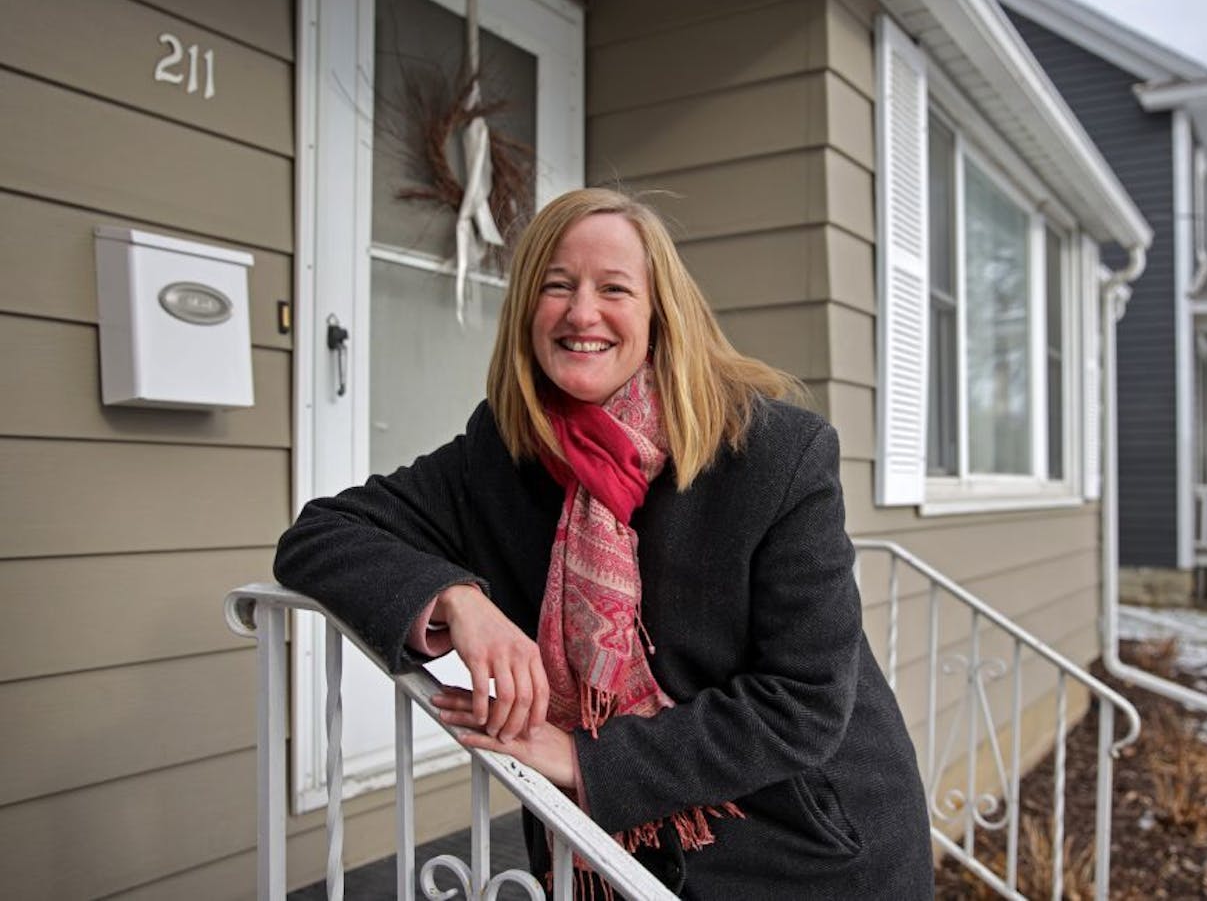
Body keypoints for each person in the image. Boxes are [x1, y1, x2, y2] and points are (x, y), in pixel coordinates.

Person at [274, 187, 933, 898]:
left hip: (801, 849)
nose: (581, 313)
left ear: (659, 315)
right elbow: (320, 533)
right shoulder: (502, 453)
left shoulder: (774, 454)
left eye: (614, 288)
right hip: (597, 857)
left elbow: (804, 701)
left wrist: (589, 757)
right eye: (558, 286)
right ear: (529, 309)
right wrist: (457, 599)